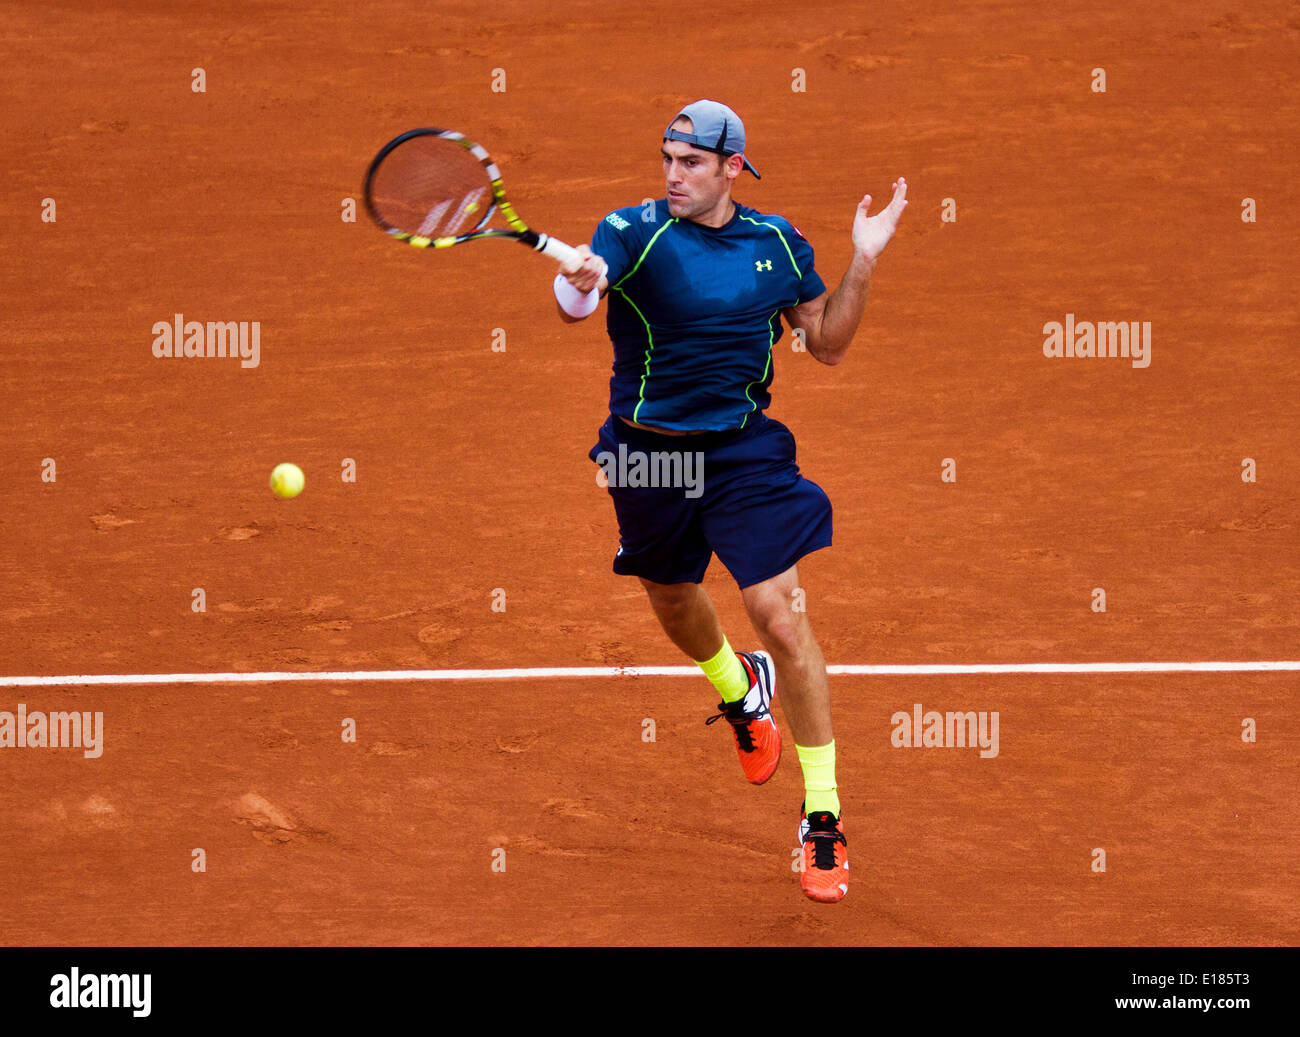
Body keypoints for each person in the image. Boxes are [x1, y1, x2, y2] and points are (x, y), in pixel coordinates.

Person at [554, 99, 907, 903]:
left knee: (780, 611)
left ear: (732, 168)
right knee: (674, 599)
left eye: (691, 163)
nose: (673, 176)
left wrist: (864, 259)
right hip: (646, 449)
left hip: (742, 450)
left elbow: (828, 346)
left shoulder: (777, 245)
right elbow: (579, 298)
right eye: (667, 160)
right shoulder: (630, 232)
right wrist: (579, 282)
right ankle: (739, 689)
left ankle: (824, 820)